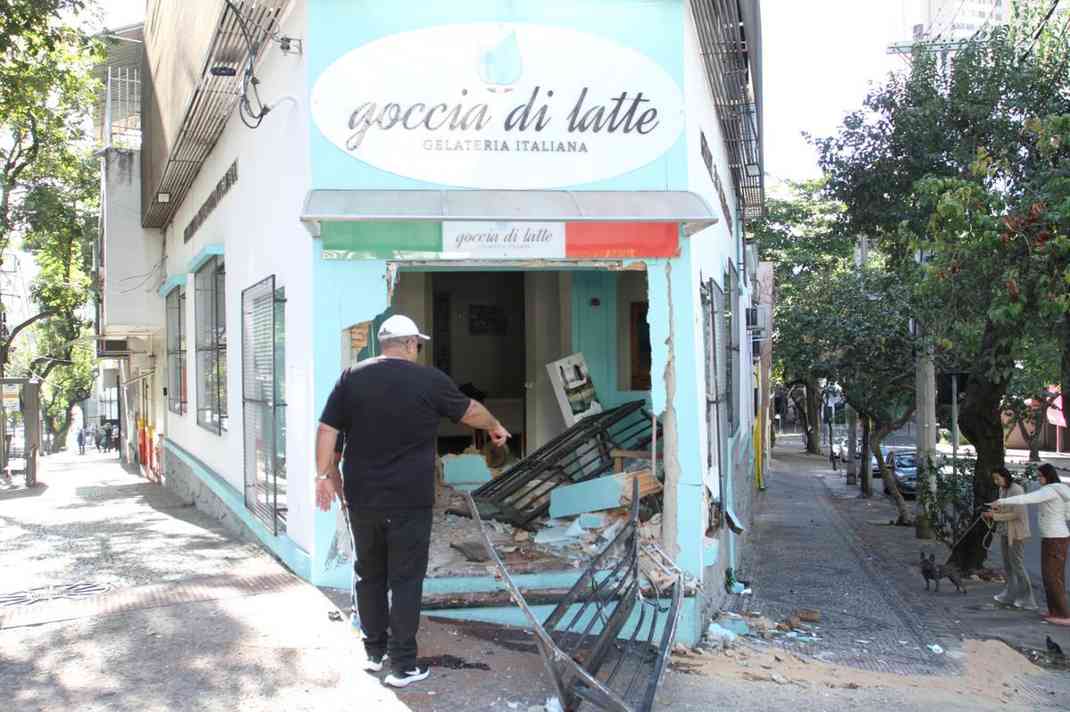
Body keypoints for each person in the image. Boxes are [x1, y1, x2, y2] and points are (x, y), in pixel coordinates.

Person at [315, 314, 509, 688]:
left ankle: (374, 653)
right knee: (405, 579)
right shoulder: (429, 379)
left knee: (368, 572)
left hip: (363, 497)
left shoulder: (351, 378)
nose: (418, 349)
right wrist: (494, 426)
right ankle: (403, 666)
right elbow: (470, 410)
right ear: (409, 344)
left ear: (383, 344)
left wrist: (323, 475)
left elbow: (327, 429)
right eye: (417, 344)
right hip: (410, 498)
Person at [990, 463, 1070, 626]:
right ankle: (1054, 611)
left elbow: (1026, 498)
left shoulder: (1051, 490)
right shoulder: (1061, 490)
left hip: (1056, 538)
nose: (1038, 479)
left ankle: (1064, 615)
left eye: (1040, 476)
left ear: (1048, 476)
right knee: (1049, 576)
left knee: (1053, 577)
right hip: (1051, 537)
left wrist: (1001, 501)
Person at [982, 466, 1037, 610]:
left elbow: (1016, 514)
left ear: (1005, 476)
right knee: (1007, 565)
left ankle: (1028, 599)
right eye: (994, 479)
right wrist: (992, 509)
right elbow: (1004, 508)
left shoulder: (1016, 490)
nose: (995, 482)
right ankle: (1010, 594)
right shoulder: (1003, 490)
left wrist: (995, 516)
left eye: (997, 478)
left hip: (1017, 533)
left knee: (1017, 565)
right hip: (1005, 532)